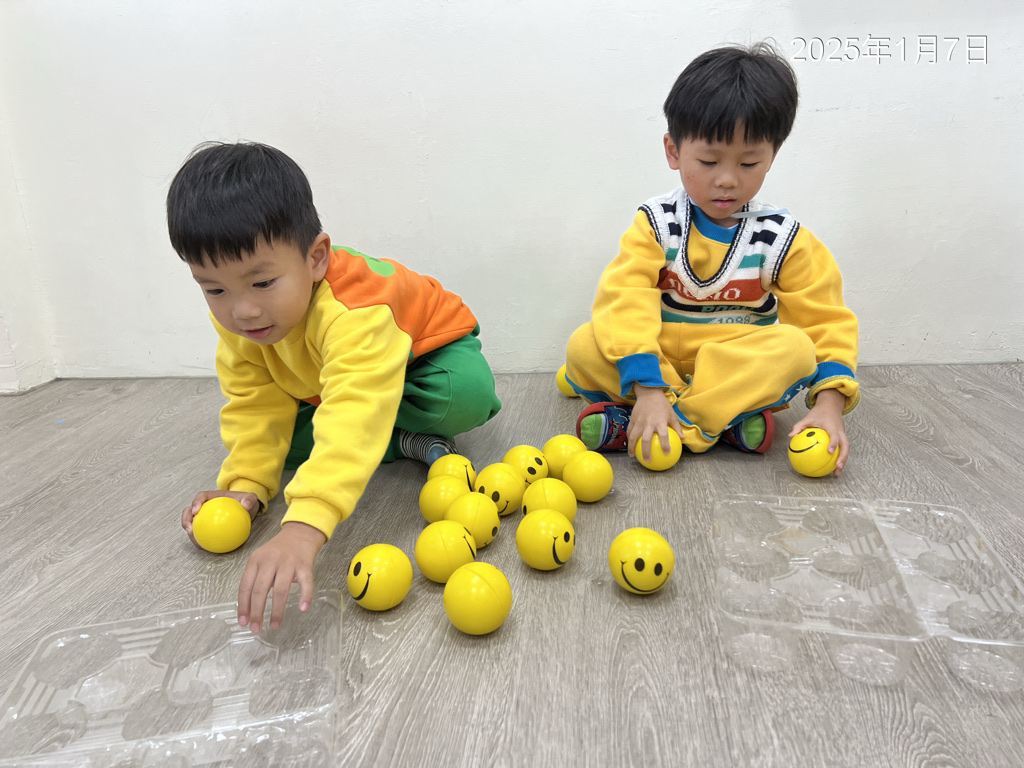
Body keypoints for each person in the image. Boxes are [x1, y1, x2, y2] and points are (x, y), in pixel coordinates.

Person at [166, 142, 501, 632]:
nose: (243, 310)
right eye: (214, 289)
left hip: (425, 357)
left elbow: (356, 406)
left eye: (262, 283)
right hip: (334, 383)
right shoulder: (240, 322)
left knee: (463, 396)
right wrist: (245, 486)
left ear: (316, 258)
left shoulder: (354, 309)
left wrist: (305, 526)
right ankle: (401, 441)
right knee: (283, 445)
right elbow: (254, 404)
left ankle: (386, 434)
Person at [564, 43, 858, 474]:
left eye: (749, 163)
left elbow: (824, 322)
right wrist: (648, 387)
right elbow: (624, 297)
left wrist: (829, 407)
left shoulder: (783, 238)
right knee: (583, 345)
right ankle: (723, 421)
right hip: (659, 357)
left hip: (732, 364)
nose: (727, 179)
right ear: (673, 150)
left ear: (772, 155)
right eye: (708, 160)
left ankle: (667, 426)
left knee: (796, 349)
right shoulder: (655, 224)